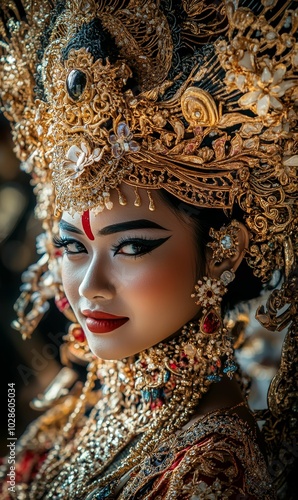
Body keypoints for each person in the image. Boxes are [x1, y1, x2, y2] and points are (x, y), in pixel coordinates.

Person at [0, 0, 297, 498]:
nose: (90, 287)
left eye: (132, 247)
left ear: (224, 252)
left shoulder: (211, 470)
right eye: (72, 246)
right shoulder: (80, 409)